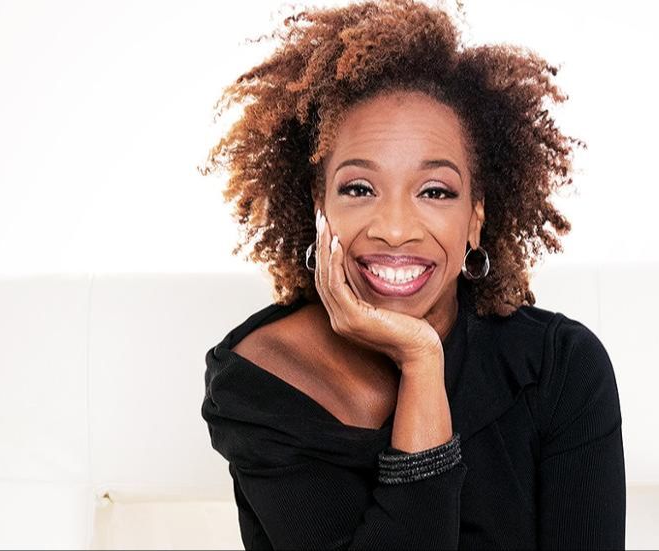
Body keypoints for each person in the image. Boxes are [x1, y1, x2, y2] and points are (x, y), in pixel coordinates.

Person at [199, 0, 625, 548]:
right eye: (359, 189)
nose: (396, 230)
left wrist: (419, 359)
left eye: (435, 192)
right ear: (319, 208)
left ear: (475, 218)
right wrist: (422, 361)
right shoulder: (265, 381)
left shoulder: (559, 369)